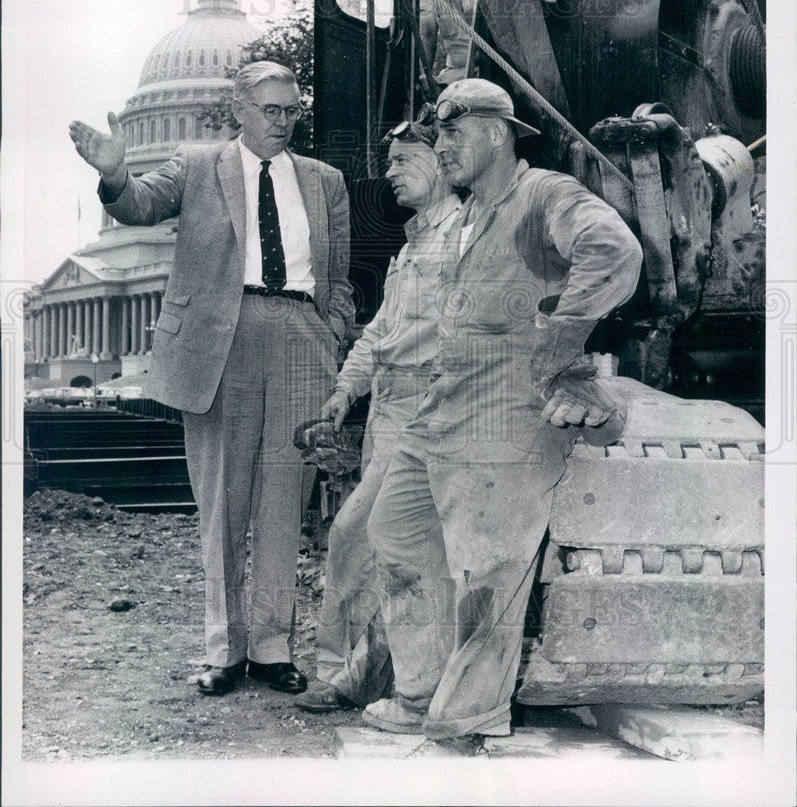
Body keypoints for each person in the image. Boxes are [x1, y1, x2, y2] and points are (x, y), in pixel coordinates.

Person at [362, 79, 644, 739]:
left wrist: (560, 339)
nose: (444, 148)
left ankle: (467, 719)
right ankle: (417, 692)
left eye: (454, 134)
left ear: (495, 133)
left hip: (507, 422)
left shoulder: (544, 195)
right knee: (395, 536)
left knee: (486, 577)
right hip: (441, 417)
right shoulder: (464, 216)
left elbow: (615, 251)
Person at [68, 61, 355, 697]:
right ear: (240, 110)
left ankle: (272, 646)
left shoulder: (324, 180)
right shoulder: (198, 164)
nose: (283, 122)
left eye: (291, 111)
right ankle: (223, 649)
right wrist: (115, 172)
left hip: (302, 335)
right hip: (221, 338)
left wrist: (332, 330)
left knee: (287, 498)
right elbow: (140, 205)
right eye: (271, 110)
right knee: (223, 498)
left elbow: (338, 270)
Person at [295, 113, 461, 713]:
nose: (388, 172)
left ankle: (348, 675)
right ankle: (369, 676)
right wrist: (344, 394)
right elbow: (380, 333)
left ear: (441, 161)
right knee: (372, 550)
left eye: (400, 160)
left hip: (426, 408)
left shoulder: (465, 237)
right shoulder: (412, 242)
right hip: (388, 405)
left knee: (359, 537)